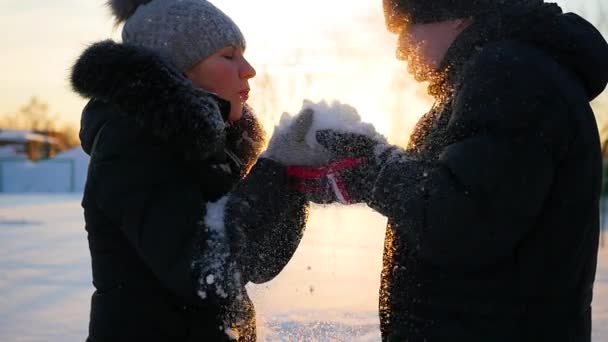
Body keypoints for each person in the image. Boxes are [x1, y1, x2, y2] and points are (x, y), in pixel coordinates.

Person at [288, 0, 608, 340]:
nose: (400, 49)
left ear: (456, 16)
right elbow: (462, 189)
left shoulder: (511, 76)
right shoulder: (507, 74)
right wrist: (366, 165)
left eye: (405, 27)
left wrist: (374, 173)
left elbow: (463, 221)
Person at [70, 0, 325, 340]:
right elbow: (205, 274)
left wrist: (291, 179)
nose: (248, 69)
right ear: (180, 69)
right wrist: (273, 171)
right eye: (229, 55)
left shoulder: (205, 147)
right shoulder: (134, 143)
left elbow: (258, 263)